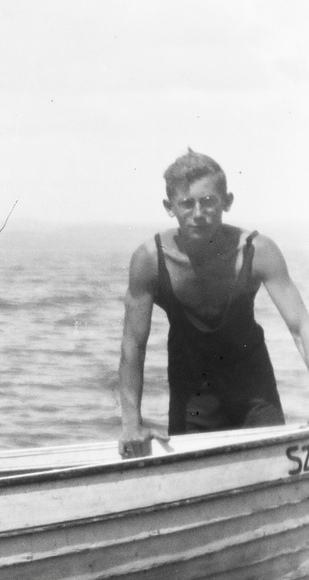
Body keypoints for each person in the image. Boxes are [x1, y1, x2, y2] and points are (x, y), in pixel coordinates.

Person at [118, 150, 309, 457]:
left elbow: (301, 325)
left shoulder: (257, 250)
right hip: (192, 401)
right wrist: (131, 423)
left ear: (227, 202)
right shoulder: (150, 260)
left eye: (208, 201)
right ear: (170, 207)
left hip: (255, 396)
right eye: (186, 203)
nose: (198, 213)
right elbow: (133, 345)